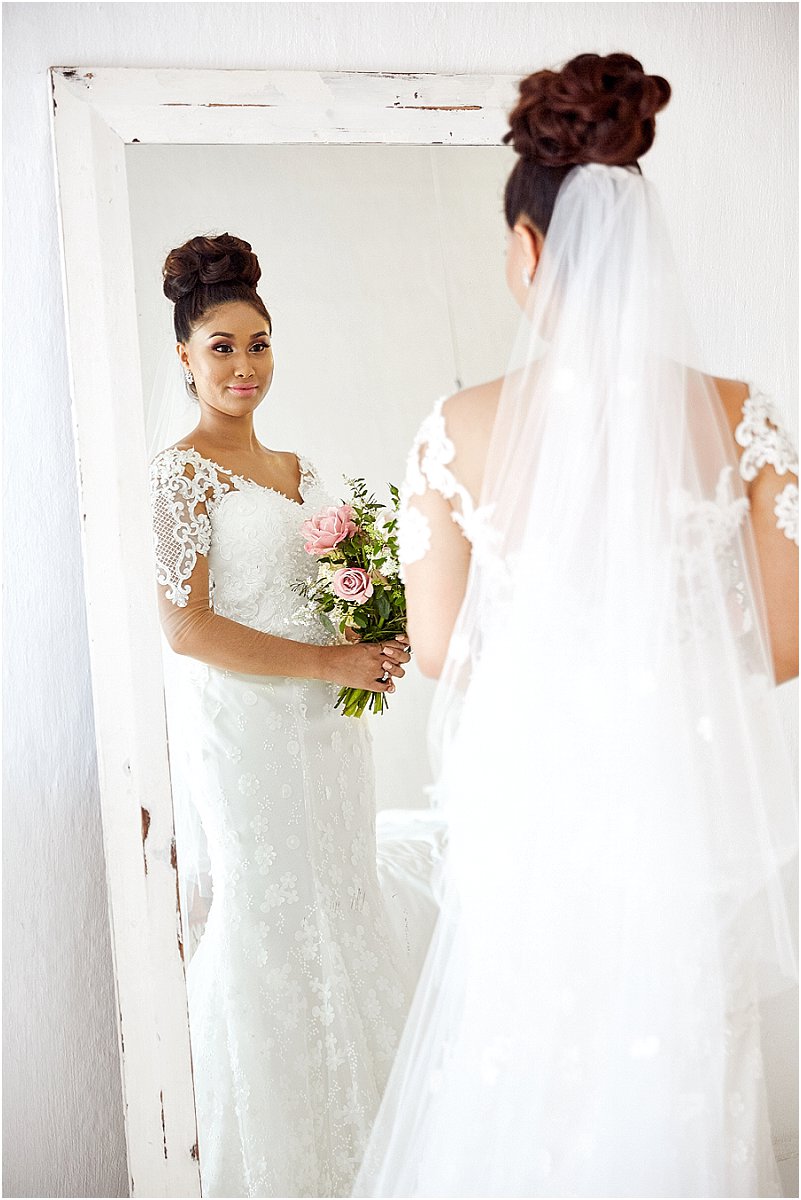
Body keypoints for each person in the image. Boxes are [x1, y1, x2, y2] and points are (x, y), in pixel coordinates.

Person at [354, 53, 798, 1197]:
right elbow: (787, 643)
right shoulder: (743, 418)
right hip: (684, 821)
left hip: (536, 819)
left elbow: (444, 649)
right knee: (689, 1071)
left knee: (532, 1084)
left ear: (528, 250)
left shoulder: (458, 426)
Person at [148, 233, 418, 1197]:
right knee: (270, 918)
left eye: (257, 344)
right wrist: (327, 658)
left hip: (328, 734)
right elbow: (184, 627)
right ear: (183, 356)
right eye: (220, 346)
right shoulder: (179, 477)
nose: (243, 366)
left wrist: (378, 638)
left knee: (348, 902)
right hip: (249, 736)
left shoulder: (306, 469)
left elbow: (350, 589)